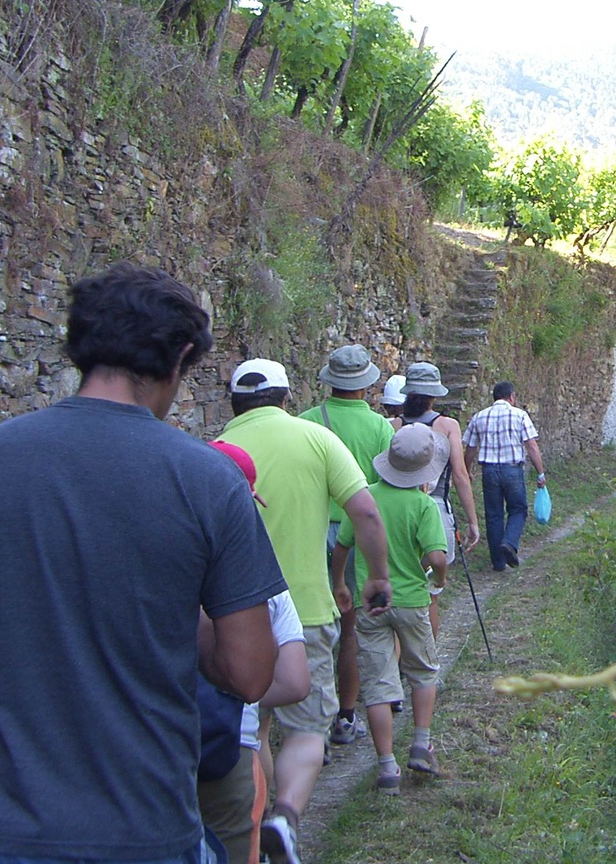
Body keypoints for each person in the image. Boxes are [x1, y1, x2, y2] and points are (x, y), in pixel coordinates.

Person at [0, 264, 283, 864]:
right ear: (181, 356)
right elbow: (250, 671)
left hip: (1, 830)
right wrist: (173, 610)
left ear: (79, 344)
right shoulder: (209, 480)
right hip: (147, 826)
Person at [218, 357, 391, 864]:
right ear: (286, 398)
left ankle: (255, 830)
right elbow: (365, 511)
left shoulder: (215, 451)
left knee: (253, 729)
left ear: (233, 403)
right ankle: (286, 815)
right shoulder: (316, 439)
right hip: (306, 610)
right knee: (308, 728)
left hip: (235, 615)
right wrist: (376, 576)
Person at [198, 442, 311, 864]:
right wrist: (241, 692)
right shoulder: (263, 585)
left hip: (147, 749)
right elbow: (295, 683)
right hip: (225, 747)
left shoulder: (157, 563)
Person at [334, 424, 450, 791]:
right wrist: (438, 578)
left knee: (378, 683)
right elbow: (436, 556)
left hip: (371, 604)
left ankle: (386, 767)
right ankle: (421, 744)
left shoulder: (366, 497)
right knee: (423, 671)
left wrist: (339, 583)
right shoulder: (423, 505)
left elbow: (342, 545)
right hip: (412, 601)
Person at [297, 344, 393, 752]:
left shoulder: (305, 422)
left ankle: (307, 723)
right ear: (366, 385)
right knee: (351, 627)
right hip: (356, 534)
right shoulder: (380, 428)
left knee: (308, 625)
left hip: (312, 531)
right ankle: (346, 714)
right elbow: (385, 488)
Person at [396, 362, 481, 636]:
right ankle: (427, 654)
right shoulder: (447, 426)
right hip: (436, 511)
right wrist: (472, 521)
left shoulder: (393, 425)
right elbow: (460, 475)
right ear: (434, 395)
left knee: (399, 591)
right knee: (430, 594)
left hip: (397, 512)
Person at [462, 381, 545, 572]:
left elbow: (470, 448)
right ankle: (509, 542)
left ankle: (498, 562)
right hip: (512, 470)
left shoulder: (479, 417)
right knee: (518, 509)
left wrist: (467, 470)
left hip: (489, 471)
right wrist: (540, 473)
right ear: (511, 397)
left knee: (493, 514)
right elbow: (531, 446)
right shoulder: (520, 415)